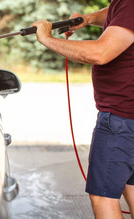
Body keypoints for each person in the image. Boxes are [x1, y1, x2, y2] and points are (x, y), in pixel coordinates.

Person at [31, 0, 134, 218]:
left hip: (122, 119)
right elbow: (117, 13)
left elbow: (100, 53)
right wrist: (88, 19)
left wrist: (47, 39)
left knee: (103, 196)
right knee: (132, 186)